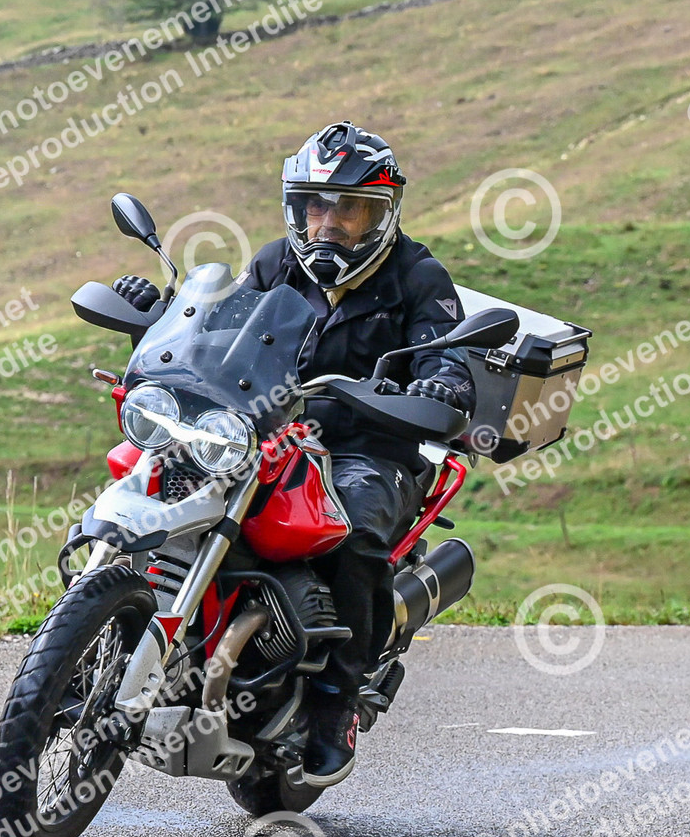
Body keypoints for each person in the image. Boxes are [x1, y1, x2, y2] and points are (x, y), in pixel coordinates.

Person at [111, 121, 475, 786]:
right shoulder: (277, 261)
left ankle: (337, 700)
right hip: (268, 433)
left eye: (348, 208)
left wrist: (441, 381)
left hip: (370, 449)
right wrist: (158, 311)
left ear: (380, 212)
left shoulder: (418, 276)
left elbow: (448, 354)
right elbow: (219, 329)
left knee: (354, 536)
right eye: (315, 206)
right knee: (163, 478)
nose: (328, 223)